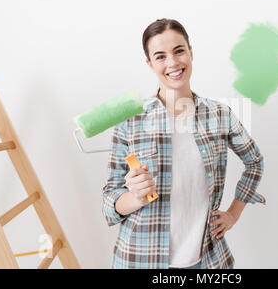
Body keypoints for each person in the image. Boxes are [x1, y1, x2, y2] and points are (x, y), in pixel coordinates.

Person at [102, 18, 266, 269]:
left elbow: (254, 162)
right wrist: (136, 197)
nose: (173, 63)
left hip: (207, 261)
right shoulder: (130, 120)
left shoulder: (220, 115)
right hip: (140, 260)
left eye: (179, 51)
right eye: (160, 56)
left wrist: (233, 213)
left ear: (191, 52)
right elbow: (110, 203)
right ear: (150, 64)